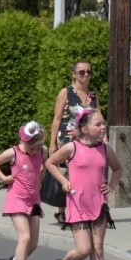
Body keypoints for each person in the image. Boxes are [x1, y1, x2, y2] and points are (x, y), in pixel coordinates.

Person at [46, 108, 122, 260]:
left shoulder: (105, 148)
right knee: (83, 249)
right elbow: (50, 163)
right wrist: (64, 181)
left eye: (103, 123)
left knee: (98, 249)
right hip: (77, 204)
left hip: (98, 205)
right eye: (98, 124)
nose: (103, 127)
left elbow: (118, 169)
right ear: (85, 129)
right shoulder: (72, 147)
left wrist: (111, 185)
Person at [0, 121, 48, 260]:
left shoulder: (42, 151)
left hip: (34, 198)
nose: (36, 151)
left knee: (34, 243)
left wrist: (40, 181)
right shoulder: (13, 152)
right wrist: (4, 178)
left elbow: (43, 167)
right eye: (33, 149)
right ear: (24, 142)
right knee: (25, 237)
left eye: (38, 148)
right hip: (17, 198)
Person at [48, 60, 101, 223]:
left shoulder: (93, 95)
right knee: (72, 173)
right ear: (74, 75)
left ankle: (69, 209)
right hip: (67, 140)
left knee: (81, 174)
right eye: (82, 72)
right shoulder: (66, 92)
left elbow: (98, 116)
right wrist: (52, 144)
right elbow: (57, 119)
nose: (86, 75)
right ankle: (65, 210)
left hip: (86, 141)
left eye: (88, 72)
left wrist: (102, 137)